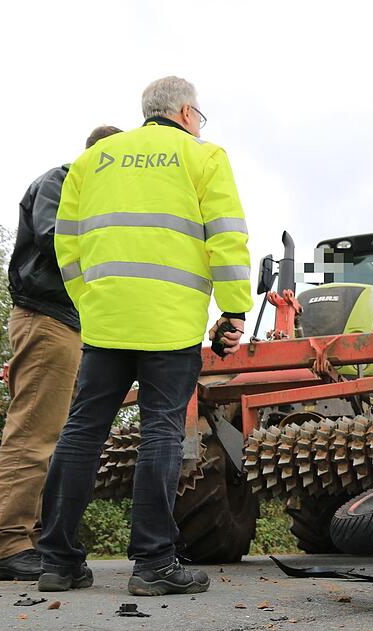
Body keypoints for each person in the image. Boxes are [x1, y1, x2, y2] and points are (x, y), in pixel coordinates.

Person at [37, 76, 251, 595]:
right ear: (184, 111)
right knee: (161, 430)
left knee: (83, 429)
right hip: (169, 321)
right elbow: (226, 235)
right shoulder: (203, 157)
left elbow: (67, 243)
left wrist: (92, 302)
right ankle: (153, 562)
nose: (200, 124)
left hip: (107, 318)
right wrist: (234, 310)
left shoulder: (93, 161)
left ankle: (58, 562)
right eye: (199, 115)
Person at [0, 125, 122, 581]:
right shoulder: (60, 182)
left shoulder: (82, 191)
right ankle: (7, 545)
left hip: (69, 323)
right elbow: (55, 239)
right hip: (47, 318)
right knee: (34, 433)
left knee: (55, 436)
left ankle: (34, 540)